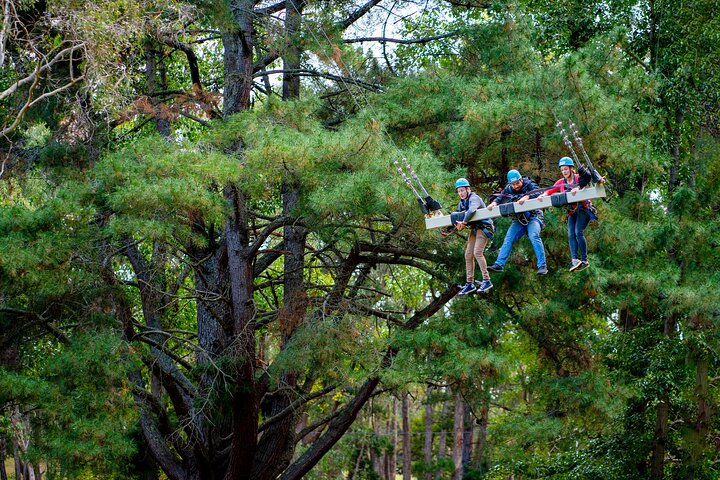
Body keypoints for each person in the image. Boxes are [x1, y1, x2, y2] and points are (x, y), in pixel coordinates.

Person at [539, 157, 603, 272]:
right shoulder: (561, 182)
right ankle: (574, 260)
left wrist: (578, 188)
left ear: (571, 168)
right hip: (572, 212)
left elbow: (587, 181)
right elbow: (550, 190)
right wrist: (543, 195)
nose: (564, 172)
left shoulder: (579, 178)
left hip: (583, 209)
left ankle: (584, 260)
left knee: (578, 232)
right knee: (570, 234)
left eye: (566, 169)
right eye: (562, 170)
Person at [486, 169, 548, 275]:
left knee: (534, 235)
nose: (516, 186)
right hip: (519, 220)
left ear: (521, 179)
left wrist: (527, 196)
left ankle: (542, 266)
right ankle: (499, 264)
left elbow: (539, 192)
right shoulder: (509, 188)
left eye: (518, 183)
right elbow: (501, 197)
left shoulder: (529, 183)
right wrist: (494, 203)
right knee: (508, 239)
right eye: (513, 184)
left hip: (534, 217)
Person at [453, 178, 494, 295]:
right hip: (475, 229)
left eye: (462, 190)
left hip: (484, 228)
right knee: (468, 254)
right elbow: (458, 214)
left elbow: (471, 211)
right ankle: (469, 283)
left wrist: (464, 222)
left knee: (477, 252)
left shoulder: (474, 198)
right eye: (459, 191)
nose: (460, 193)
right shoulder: (462, 202)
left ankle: (487, 280)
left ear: (468, 189)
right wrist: (456, 225)